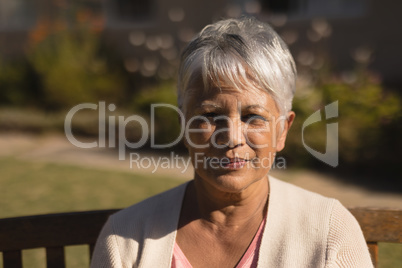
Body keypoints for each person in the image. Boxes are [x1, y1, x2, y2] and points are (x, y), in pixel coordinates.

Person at [91, 17, 373, 267]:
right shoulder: (125, 238)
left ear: (283, 131)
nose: (232, 137)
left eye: (253, 117)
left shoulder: (328, 232)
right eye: (210, 115)